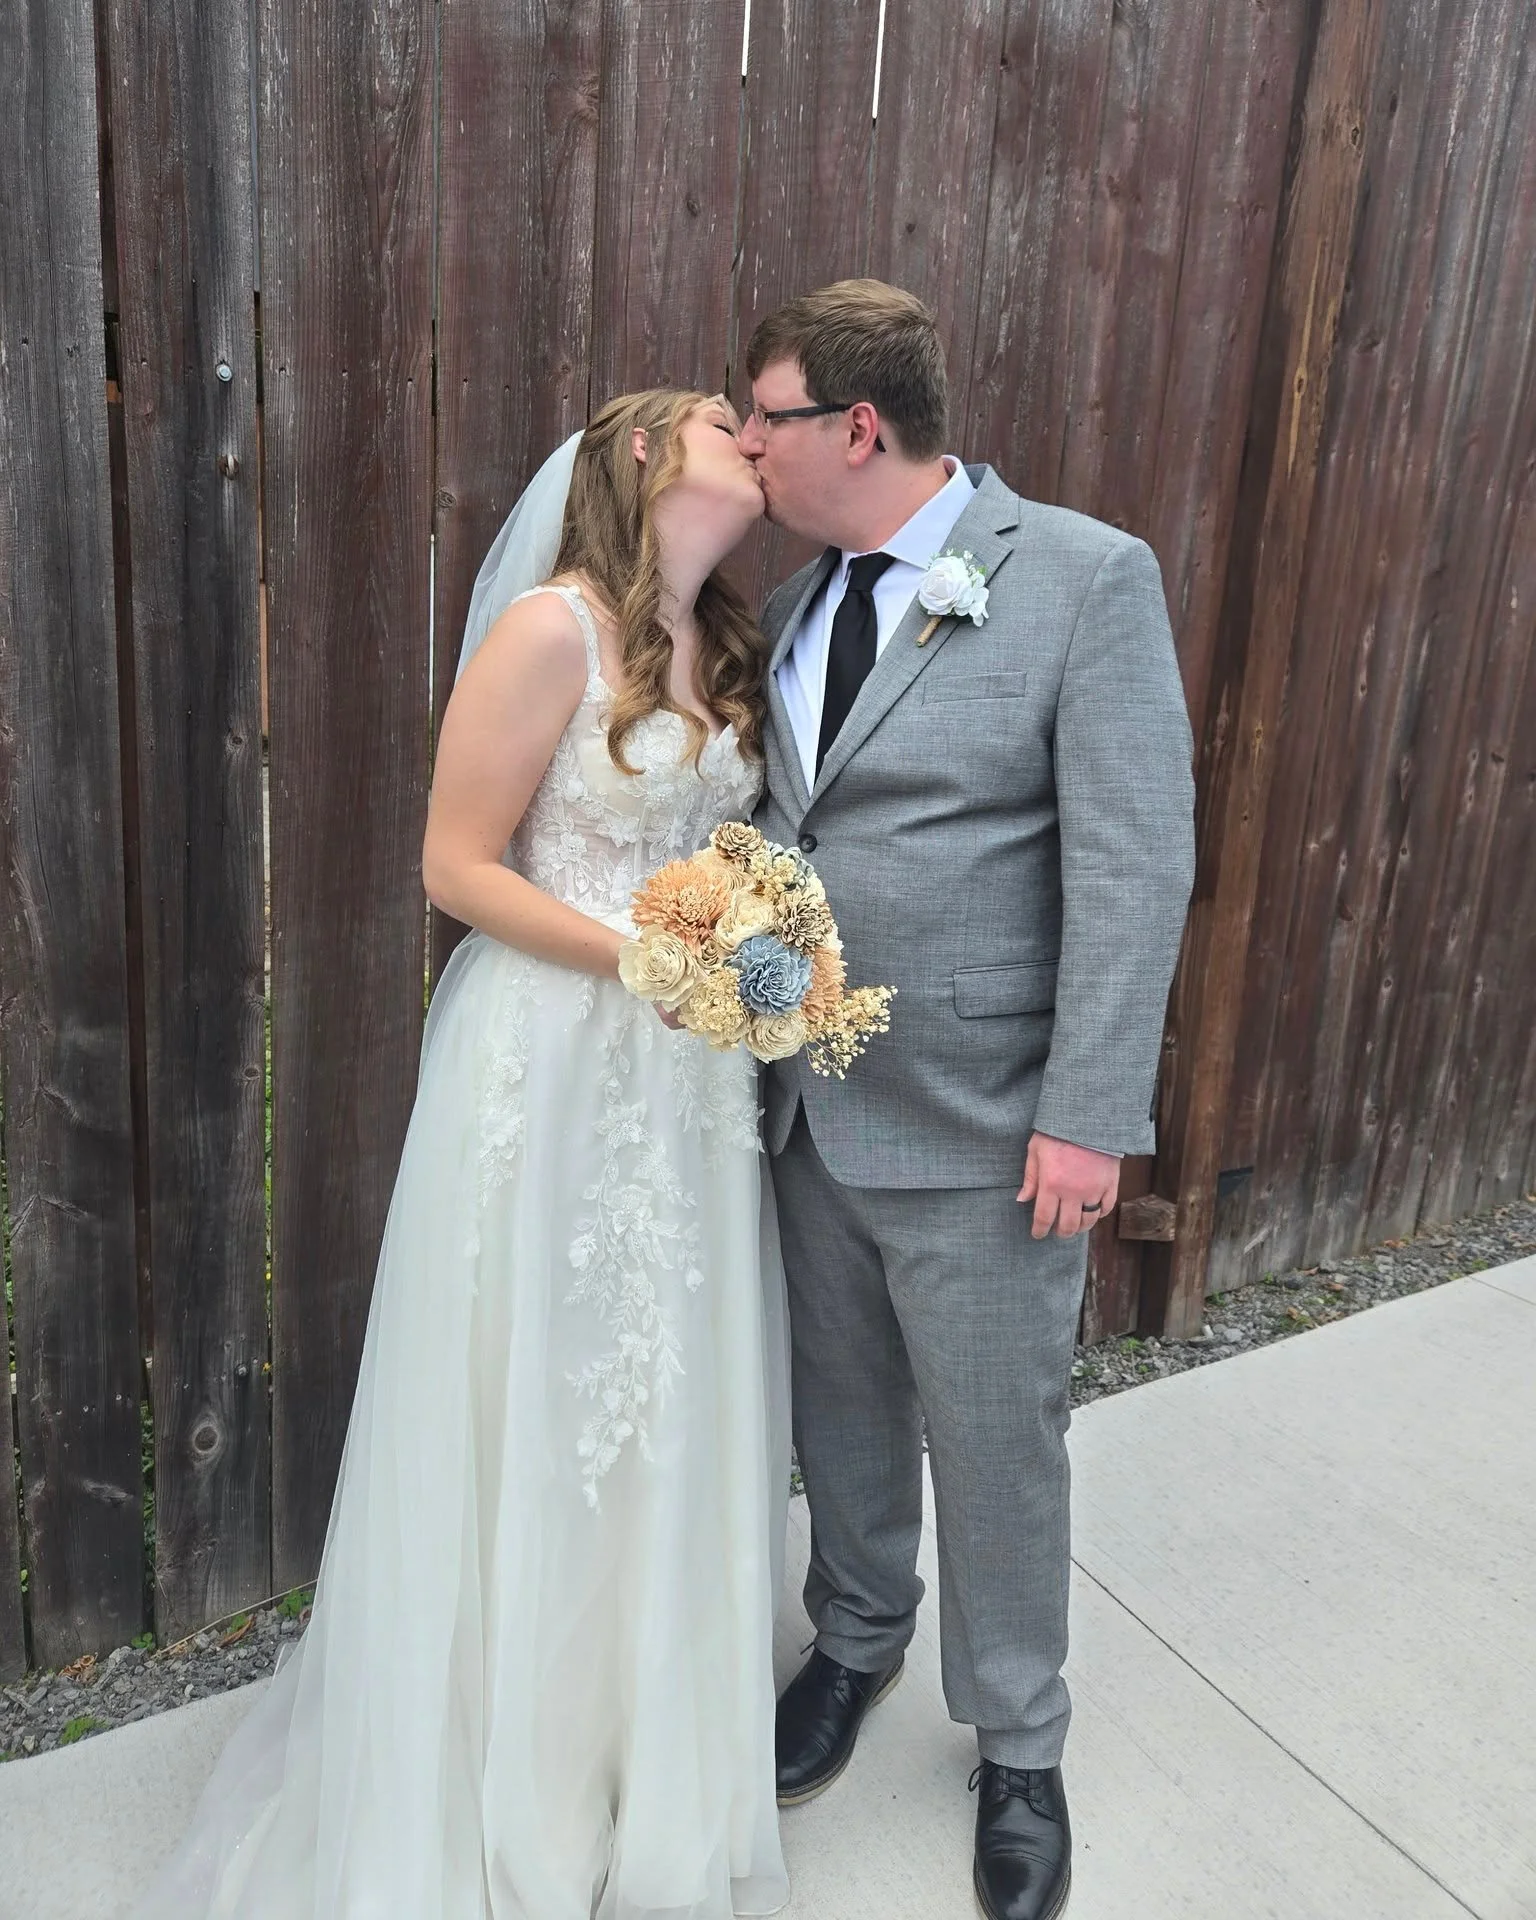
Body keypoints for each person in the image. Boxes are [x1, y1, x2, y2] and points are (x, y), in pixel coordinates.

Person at [129, 391, 792, 1920]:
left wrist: (753, 952)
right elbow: (454, 865)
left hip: (685, 1090)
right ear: (640, 454)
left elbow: (728, 853)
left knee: (661, 1388)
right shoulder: (554, 632)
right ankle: (512, 1768)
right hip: (555, 1057)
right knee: (539, 1382)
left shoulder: (724, 642)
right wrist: (645, 962)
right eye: (714, 414)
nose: (746, 435)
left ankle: (641, 1746)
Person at [741, 280, 1196, 1920]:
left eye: (762, 415)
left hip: (993, 1126)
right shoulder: (790, 605)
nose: (742, 443)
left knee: (999, 1442)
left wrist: (1090, 1111)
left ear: (856, 427)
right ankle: (854, 1641)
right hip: (803, 1110)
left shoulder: (1079, 577)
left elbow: (1139, 860)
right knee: (842, 1416)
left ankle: (1019, 1742)